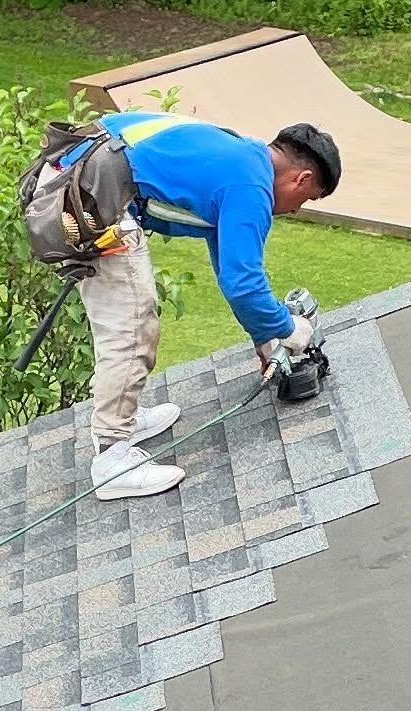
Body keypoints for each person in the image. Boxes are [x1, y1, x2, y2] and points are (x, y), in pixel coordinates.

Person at [37, 113, 341, 500]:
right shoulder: (251, 186)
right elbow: (244, 285)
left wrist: (266, 341)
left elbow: (233, 273)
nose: (297, 210)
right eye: (307, 199)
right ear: (303, 179)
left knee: (133, 320)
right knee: (131, 327)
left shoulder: (239, 154)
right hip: (88, 198)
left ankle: (122, 422)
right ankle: (112, 459)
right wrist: (290, 328)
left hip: (77, 176)